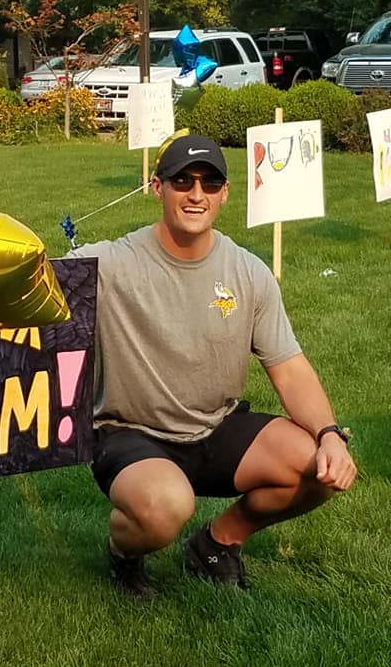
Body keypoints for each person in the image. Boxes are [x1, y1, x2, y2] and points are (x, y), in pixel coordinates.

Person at [71, 132, 357, 599]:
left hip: (215, 427)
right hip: (132, 433)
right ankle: (123, 554)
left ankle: (217, 543)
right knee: (165, 506)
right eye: (182, 181)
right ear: (156, 187)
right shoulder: (113, 262)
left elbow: (289, 368)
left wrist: (329, 435)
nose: (196, 194)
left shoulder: (248, 272)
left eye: (209, 182)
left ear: (225, 192)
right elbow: (33, 284)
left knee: (317, 470)